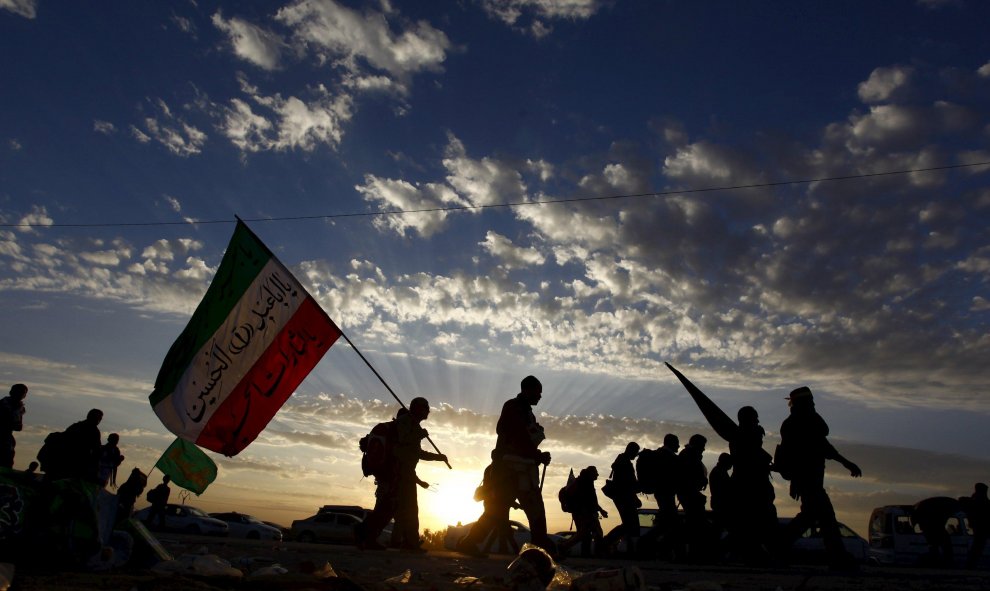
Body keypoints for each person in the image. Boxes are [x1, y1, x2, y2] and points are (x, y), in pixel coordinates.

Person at [457, 375, 553, 556]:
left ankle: (540, 545)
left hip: (520, 469)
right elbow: (519, 437)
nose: (540, 396)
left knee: (525, 509)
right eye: (537, 392)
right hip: (509, 470)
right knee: (500, 511)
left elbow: (526, 439)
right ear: (527, 390)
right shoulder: (513, 407)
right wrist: (537, 455)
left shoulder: (526, 412)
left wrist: (536, 455)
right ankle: (540, 546)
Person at [777, 386, 862, 570]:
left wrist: (845, 462)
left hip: (812, 477)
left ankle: (778, 549)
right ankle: (837, 557)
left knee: (811, 516)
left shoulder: (806, 421)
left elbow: (824, 446)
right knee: (826, 517)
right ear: (803, 403)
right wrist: (796, 481)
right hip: (808, 479)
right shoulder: (796, 424)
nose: (814, 405)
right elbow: (795, 455)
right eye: (811, 402)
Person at [357, 398, 447, 551]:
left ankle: (406, 542)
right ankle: (367, 535)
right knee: (392, 507)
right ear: (418, 408)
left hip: (405, 474)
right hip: (397, 472)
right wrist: (420, 435)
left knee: (401, 508)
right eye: (426, 408)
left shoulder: (413, 425)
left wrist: (438, 457)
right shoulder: (405, 422)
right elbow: (403, 441)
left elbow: (415, 452)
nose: (428, 412)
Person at [728, 406, 777, 564]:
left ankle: (755, 552)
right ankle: (754, 553)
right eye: (754, 418)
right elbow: (748, 459)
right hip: (750, 486)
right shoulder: (742, 436)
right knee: (754, 521)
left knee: (752, 522)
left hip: (752, 484)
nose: (757, 421)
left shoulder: (741, 436)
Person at [602, 442, 641, 556]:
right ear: (631, 450)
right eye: (635, 452)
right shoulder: (624, 463)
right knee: (629, 524)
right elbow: (626, 484)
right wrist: (635, 494)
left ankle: (613, 545)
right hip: (624, 497)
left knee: (629, 524)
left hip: (623, 497)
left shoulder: (622, 461)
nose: (636, 455)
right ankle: (606, 542)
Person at [559, 466, 608, 557]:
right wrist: (592, 513)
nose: (597, 474)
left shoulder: (584, 482)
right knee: (595, 533)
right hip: (585, 514)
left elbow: (592, 501)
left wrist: (601, 510)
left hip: (581, 514)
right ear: (591, 473)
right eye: (595, 472)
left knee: (585, 536)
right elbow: (588, 501)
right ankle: (563, 546)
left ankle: (585, 554)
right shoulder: (586, 484)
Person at [912, 496, 961, 567]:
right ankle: (945, 562)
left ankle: (936, 561)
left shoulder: (924, 508)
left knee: (934, 547)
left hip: (932, 530)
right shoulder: (944, 509)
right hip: (936, 529)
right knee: (945, 546)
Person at [62, 408, 104, 481]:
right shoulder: (93, 431)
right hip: (77, 464)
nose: (99, 421)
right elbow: (96, 451)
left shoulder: (76, 426)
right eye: (98, 418)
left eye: (100, 419)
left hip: (67, 462)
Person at [960, 483, 989, 568]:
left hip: (980, 527)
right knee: (977, 547)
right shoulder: (980, 500)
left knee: (977, 547)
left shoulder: (977, 499)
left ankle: (970, 564)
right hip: (981, 527)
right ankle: (970, 564)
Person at [0, 383, 27, 469]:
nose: (20, 395)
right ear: (11, 392)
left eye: (23, 393)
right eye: (18, 392)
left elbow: (19, 427)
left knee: (7, 460)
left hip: (7, 437)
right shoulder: (2, 404)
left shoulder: (20, 408)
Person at [708, 452, 732, 528]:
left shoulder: (718, 471)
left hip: (718, 503)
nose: (731, 465)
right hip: (721, 503)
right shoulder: (719, 472)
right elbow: (725, 488)